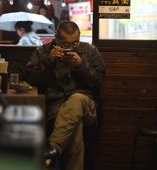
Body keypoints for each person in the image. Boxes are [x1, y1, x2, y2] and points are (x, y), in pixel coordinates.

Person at [25, 21, 105, 170]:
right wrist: (49, 61)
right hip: (54, 109)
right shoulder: (42, 52)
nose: (70, 48)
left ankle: (51, 150)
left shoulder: (90, 51)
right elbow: (29, 79)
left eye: (75, 43)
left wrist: (81, 65)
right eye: (65, 44)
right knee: (75, 129)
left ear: (79, 38)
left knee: (77, 99)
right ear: (55, 39)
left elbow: (98, 82)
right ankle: (51, 159)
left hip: (87, 107)